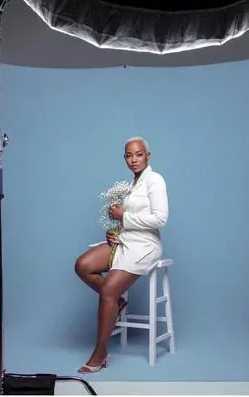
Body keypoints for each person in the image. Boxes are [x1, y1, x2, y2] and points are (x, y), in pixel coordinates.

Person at [74, 136, 169, 374]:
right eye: (129, 155)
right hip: (125, 240)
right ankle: (117, 302)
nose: (133, 160)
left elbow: (160, 219)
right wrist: (115, 230)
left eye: (139, 154)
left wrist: (124, 217)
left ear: (148, 156)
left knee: (108, 289)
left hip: (145, 245)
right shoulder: (131, 184)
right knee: (83, 265)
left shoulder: (155, 180)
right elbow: (128, 219)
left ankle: (100, 352)